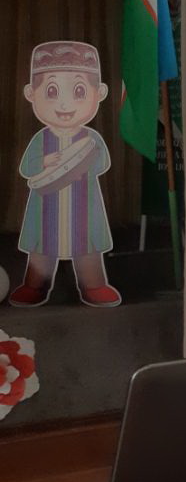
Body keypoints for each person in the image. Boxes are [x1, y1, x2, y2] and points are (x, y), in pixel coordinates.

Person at [10, 41, 121, 308]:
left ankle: (94, 285)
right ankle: (35, 285)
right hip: (45, 209)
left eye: (79, 91)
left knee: (87, 248)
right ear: (31, 93)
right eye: (51, 91)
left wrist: (82, 159)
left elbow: (102, 163)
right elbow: (27, 168)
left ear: (100, 93)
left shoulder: (91, 138)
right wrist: (44, 162)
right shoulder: (41, 139)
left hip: (84, 209)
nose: (64, 103)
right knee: (42, 248)